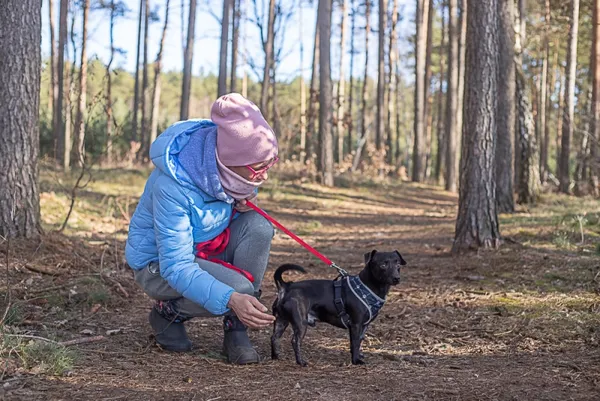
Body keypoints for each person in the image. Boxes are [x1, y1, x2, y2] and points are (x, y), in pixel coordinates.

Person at [125, 93, 278, 365]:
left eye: (270, 163)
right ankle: (168, 312)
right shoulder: (172, 186)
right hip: (159, 266)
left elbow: (216, 209)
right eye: (258, 169)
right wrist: (232, 297)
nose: (264, 176)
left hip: (206, 248)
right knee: (240, 287)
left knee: (259, 226)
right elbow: (176, 266)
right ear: (230, 163)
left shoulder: (229, 167)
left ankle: (236, 326)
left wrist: (238, 206)